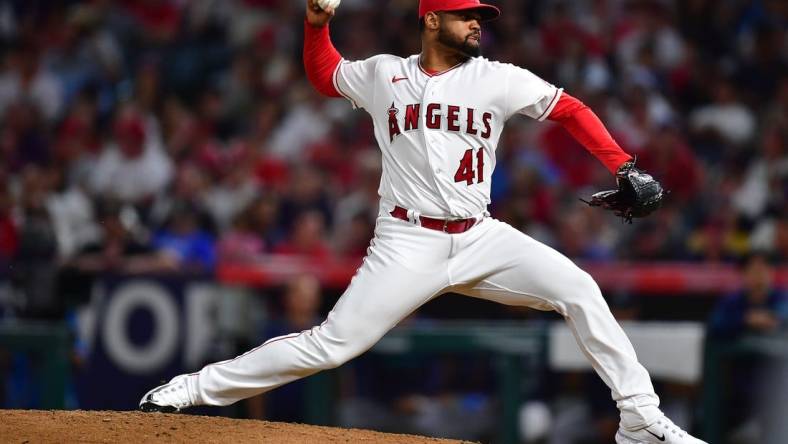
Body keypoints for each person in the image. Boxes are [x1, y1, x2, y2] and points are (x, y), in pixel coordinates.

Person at [140, 1, 706, 443]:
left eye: (480, 17)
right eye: (466, 16)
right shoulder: (384, 74)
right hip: (406, 240)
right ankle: (190, 389)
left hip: (480, 235)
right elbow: (324, 75)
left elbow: (570, 109)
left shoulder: (497, 77)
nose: (477, 24)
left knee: (579, 288)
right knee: (331, 346)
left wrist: (624, 164)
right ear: (432, 20)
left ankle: (638, 418)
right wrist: (315, 26)